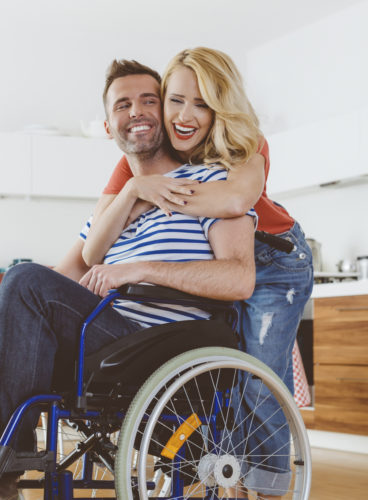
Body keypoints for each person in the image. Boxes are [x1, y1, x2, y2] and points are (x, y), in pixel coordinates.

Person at [0, 59, 257, 500]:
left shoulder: (209, 182)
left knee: (25, 280)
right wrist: (11, 313)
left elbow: (239, 278)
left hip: (150, 343)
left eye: (149, 101)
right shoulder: (111, 210)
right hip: (97, 334)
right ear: (108, 124)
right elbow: (59, 278)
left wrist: (141, 269)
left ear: (166, 114)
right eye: (123, 104)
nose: (136, 111)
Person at [83, 48, 313, 500]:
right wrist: (133, 188)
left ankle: (266, 489)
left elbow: (232, 203)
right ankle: (222, 472)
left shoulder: (246, 142)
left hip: (276, 264)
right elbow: (98, 230)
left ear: (221, 109)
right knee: (221, 377)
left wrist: (154, 196)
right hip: (215, 261)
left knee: (258, 375)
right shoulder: (151, 146)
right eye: (176, 100)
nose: (185, 115)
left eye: (203, 104)